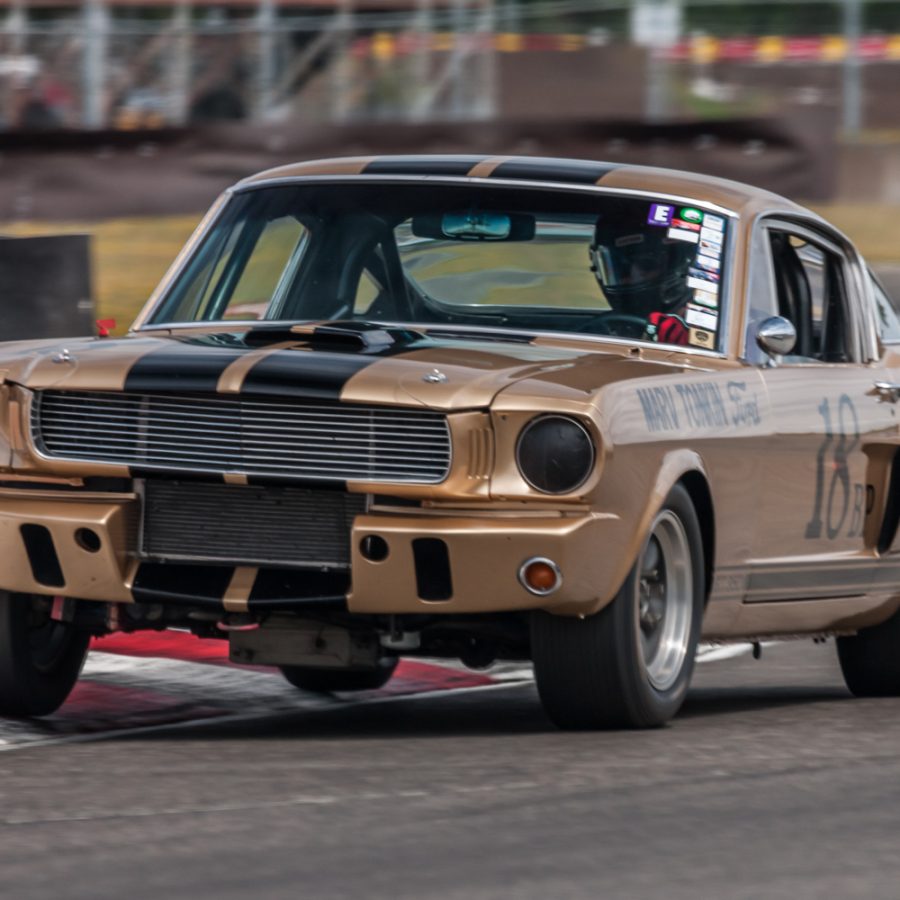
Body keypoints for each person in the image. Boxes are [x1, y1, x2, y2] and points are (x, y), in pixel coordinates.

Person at [588, 216, 695, 346]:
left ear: (677, 266)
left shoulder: (705, 328)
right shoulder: (602, 330)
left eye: (647, 265)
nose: (633, 278)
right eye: (620, 268)